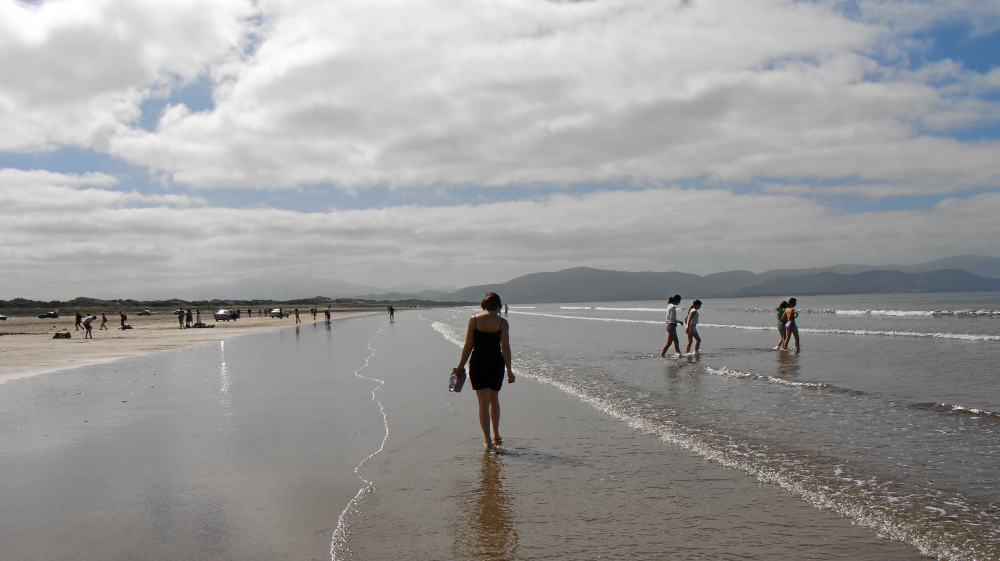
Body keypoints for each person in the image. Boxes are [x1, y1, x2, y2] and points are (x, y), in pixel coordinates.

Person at [454, 292, 515, 451]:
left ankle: (487, 441)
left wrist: (461, 365)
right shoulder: (502, 323)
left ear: (484, 305)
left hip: (478, 363)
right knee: (494, 398)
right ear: (498, 306)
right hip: (496, 363)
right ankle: (496, 434)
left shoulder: (474, 320)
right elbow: (506, 348)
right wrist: (509, 370)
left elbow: (468, 345)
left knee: (482, 402)